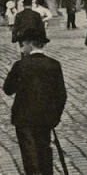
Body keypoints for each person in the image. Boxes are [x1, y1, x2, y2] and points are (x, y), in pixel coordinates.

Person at [3, 28, 67, 175]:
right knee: (44, 152)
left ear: (29, 44)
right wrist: (54, 118)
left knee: (29, 156)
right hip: (45, 119)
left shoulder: (20, 65)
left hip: (24, 120)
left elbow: (7, 89)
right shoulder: (54, 65)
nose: (21, 48)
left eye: (22, 44)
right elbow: (61, 95)